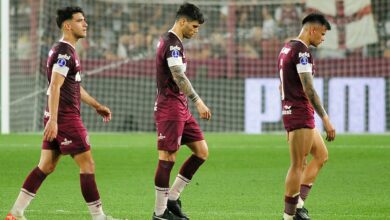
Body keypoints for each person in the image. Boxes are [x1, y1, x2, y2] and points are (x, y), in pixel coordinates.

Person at [6, 6, 122, 220]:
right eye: (80, 20)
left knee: (46, 165)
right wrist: (54, 120)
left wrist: (96, 105)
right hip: (65, 117)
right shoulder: (64, 52)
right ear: (68, 25)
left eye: (85, 20)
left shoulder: (67, 50)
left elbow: (73, 86)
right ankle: (99, 217)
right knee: (87, 164)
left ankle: (16, 212)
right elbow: (55, 87)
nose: (85, 24)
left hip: (59, 117)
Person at [152, 3, 211, 220]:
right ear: (182, 21)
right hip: (170, 107)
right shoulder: (172, 44)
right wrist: (198, 101)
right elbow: (178, 75)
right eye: (194, 27)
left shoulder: (174, 43)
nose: (196, 31)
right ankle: (159, 213)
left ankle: (173, 199)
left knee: (201, 151)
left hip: (180, 107)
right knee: (167, 157)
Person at [277, 13, 336, 220]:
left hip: (296, 113)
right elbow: (309, 88)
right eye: (322, 33)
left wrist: (286, 116)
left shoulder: (286, 48)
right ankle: (289, 215)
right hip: (300, 113)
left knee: (321, 155)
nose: (323, 38)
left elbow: (280, 86)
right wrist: (326, 118)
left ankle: (299, 205)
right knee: (298, 164)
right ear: (312, 29)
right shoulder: (302, 52)